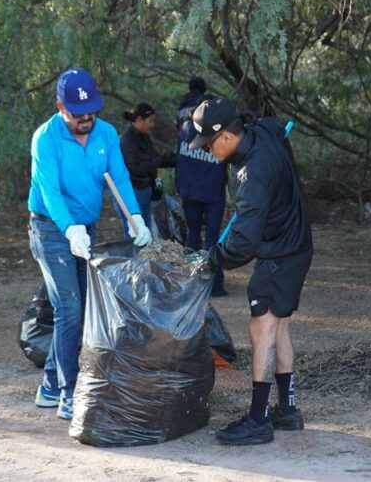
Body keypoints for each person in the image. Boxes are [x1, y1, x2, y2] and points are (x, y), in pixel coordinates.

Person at [27, 67, 152, 421]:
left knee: (83, 308)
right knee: (69, 307)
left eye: (92, 111)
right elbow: (49, 192)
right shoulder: (45, 139)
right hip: (51, 230)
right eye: (78, 113)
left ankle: (50, 385)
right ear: (59, 105)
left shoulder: (107, 135)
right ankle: (69, 393)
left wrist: (135, 218)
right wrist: (69, 229)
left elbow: (120, 179)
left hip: (88, 228)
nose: (86, 119)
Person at [191, 98, 313, 445]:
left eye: (210, 144)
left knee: (261, 330)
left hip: (279, 252)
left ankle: (259, 418)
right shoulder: (262, 130)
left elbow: (243, 242)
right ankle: (287, 410)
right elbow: (277, 128)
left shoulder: (252, 174)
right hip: (297, 241)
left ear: (228, 136)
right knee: (279, 326)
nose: (209, 151)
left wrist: (215, 258)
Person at [176, 78, 229, 296]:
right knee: (212, 239)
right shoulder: (218, 133)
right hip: (211, 193)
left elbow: (181, 158)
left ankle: (190, 284)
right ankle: (213, 285)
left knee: (192, 236)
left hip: (189, 190)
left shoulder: (186, 126)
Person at [117, 102, 177, 235]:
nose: (152, 125)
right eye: (150, 121)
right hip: (133, 192)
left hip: (145, 190)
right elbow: (135, 167)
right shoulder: (127, 141)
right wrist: (157, 161)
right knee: (135, 234)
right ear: (139, 120)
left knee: (146, 231)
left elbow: (153, 158)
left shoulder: (144, 137)